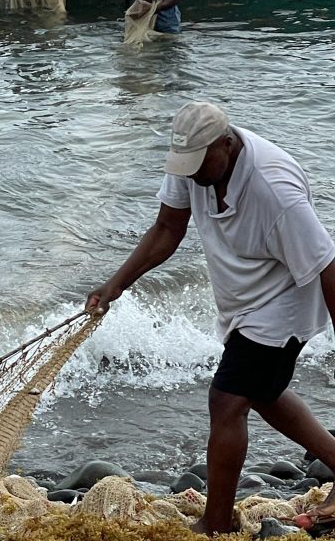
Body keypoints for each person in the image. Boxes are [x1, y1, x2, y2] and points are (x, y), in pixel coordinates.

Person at [84, 101, 335, 535]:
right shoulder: (195, 163)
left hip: (286, 299)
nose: (193, 173)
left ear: (227, 143)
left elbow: (326, 265)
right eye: (186, 164)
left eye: (200, 162)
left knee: (227, 400)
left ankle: (216, 522)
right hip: (244, 295)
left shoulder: (275, 191)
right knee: (263, 392)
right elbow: (167, 229)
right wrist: (116, 284)